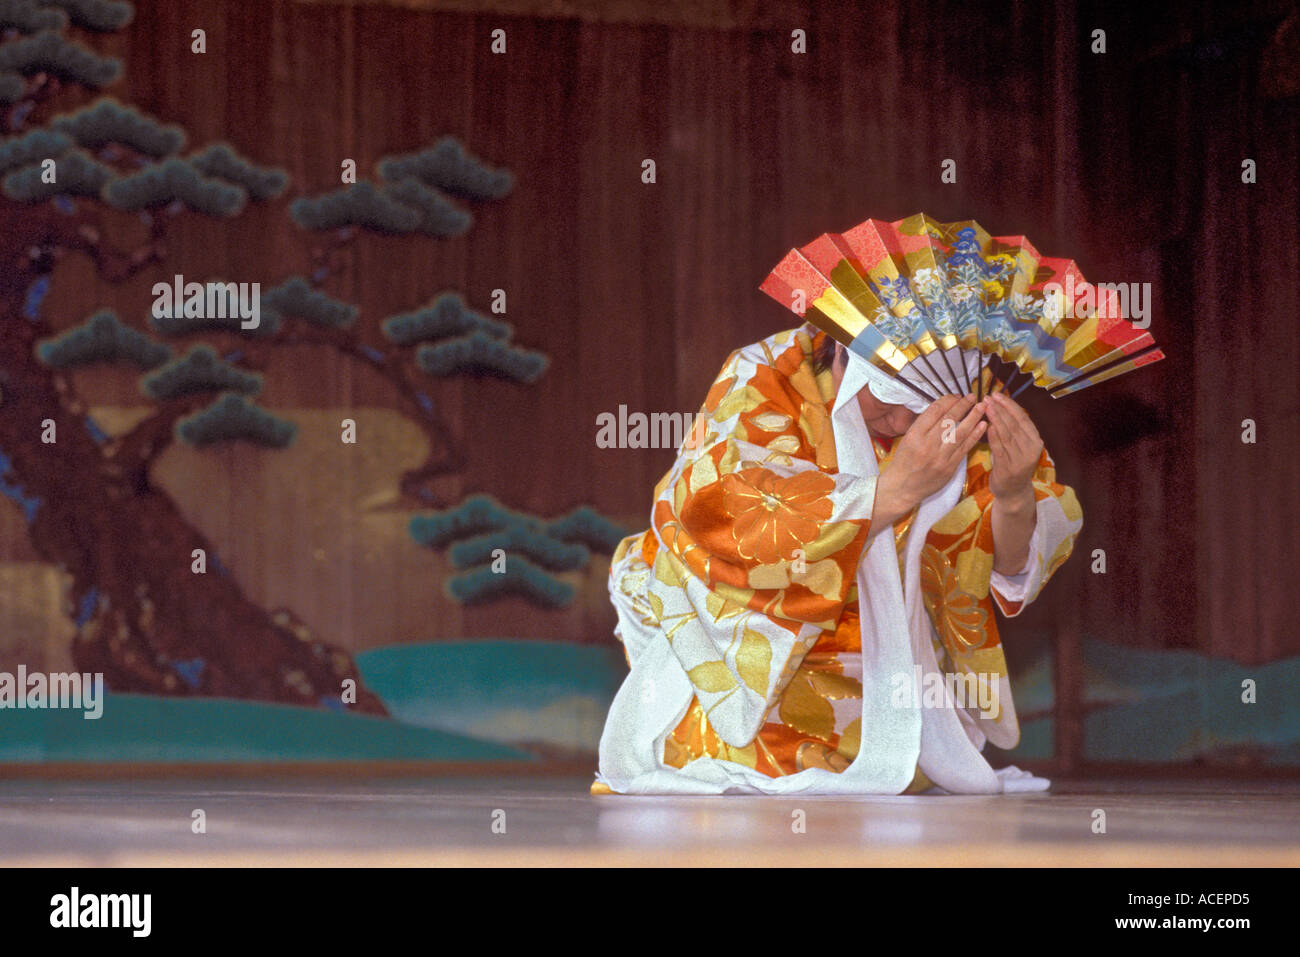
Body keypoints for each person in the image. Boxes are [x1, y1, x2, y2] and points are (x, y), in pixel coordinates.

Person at [592, 324, 1082, 795]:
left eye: (919, 411)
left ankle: (893, 741)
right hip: (758, 637)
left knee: (899, 759)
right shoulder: (767, 373)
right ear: (847, 354)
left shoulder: (969, 392)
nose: (902, 425)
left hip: (890, 656)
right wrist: (888, 494)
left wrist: (1014, 496)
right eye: (888, 406)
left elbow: (1000, 559)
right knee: (741, 752)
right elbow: (711, 510)